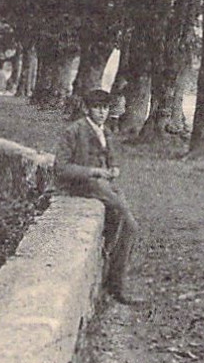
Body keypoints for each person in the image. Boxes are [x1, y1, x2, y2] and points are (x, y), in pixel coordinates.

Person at [54, 90, 145, 305]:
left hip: (102, 184)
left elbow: (111, 157)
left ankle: (111, 272)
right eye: (97, 107)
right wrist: (94, 171)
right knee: (129, 223)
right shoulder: (74, 131)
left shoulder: (105, 131)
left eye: (105, 108)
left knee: (128, 225)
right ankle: (116, 286)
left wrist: (113, 168)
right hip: (81, 185)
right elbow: (61, 168)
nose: (102, 112)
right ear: (87, 108)